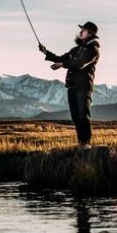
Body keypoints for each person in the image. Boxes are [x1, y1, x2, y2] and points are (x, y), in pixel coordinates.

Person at [39, 21, 100, 149]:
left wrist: (63, 65)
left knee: (83, 115)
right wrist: (46, 53)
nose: (80, 32)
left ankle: (86, 143)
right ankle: (81, 143)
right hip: (72, 86)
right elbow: (62, 58)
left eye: (82, 30)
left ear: (89, 33)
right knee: (75, 116)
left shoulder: (93, 50)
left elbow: (79, 63)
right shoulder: (76, 49)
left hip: (83, 87)